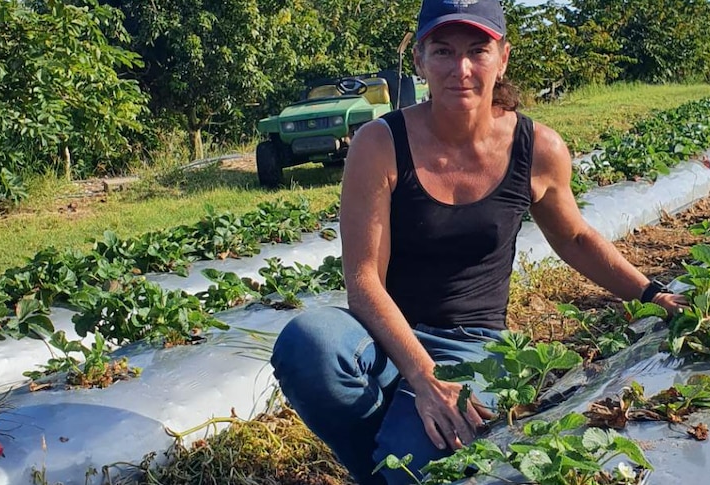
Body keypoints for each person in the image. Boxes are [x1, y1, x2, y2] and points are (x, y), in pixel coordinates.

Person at [271, 1, 688, 483]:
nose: (461, 68)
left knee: (414, 463)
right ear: (420, 61)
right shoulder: (380, 144)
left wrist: (652, 293)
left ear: (503, 57)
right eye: (443, 51)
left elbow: (574, 236)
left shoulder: (537, 148)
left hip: (477, 348)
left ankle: (397, 462)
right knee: (309, 345)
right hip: (385, 336)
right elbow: (363, 280)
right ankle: (379, 466)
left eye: (478, 50)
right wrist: (424, 379)